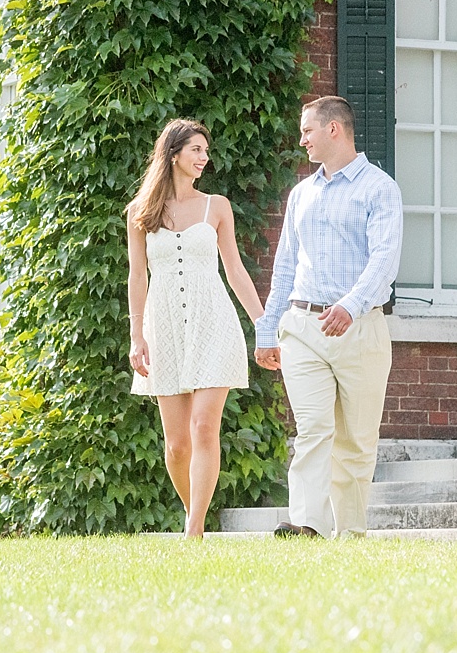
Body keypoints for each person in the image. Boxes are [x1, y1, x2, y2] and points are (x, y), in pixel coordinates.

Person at [254, 95, 402, 539]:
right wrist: (267, 331)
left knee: (355, 442)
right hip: (303, 327)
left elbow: (384, 260)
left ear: (333, 129)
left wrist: (350, 306)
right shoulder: (301, 194)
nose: (301, 140)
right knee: (313, 429)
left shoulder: (379, 189)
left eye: (307, 131)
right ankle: (306, 526)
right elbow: (284, 269)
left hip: (361, 327)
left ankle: (350, 534)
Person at [126, 118, 266, 539]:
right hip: (163, 326)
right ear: (173, 154)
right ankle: (195, 517)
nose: (205, 158)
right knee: (176, 445)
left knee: (204, 426)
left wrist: (264, 325)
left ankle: (194, 532)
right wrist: (137, 336)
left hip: (213, 322)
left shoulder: (216, 206)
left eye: (206, 151)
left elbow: (235, 270)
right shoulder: (140, 212)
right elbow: (137, 277)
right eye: (197, 151)